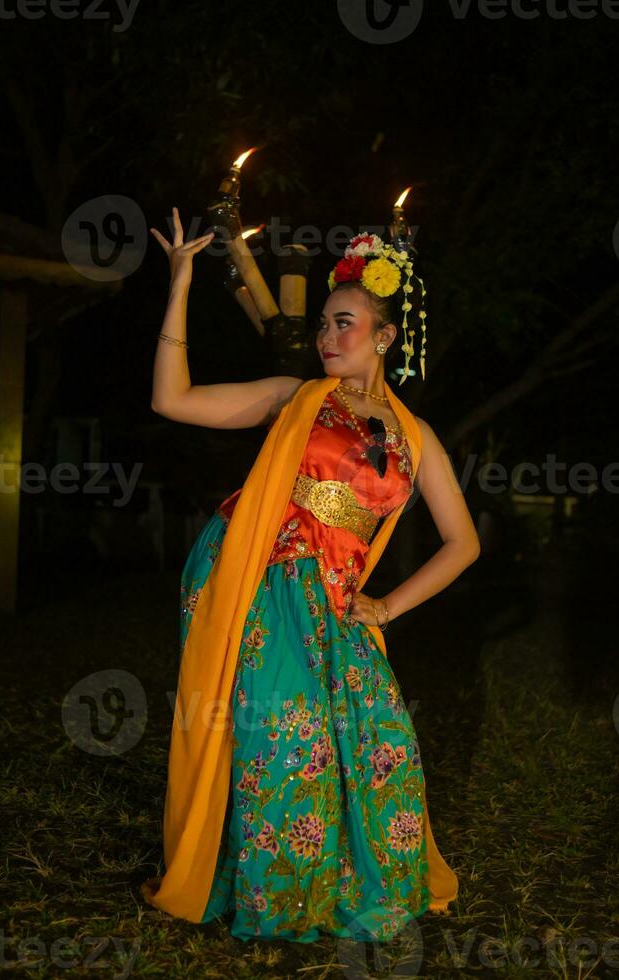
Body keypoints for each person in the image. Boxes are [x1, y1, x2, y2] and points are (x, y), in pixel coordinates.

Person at [141, 209, 480, 943]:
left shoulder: (416, 439)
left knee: (382, 740)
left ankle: (354, 885)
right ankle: (279, 897)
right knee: (290, 739)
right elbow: (173, 400)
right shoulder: (294, 398)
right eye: (324, 324)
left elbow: (463, 543)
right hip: (264, 583)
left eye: (345, 323)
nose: (327, 338)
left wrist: (387, 606)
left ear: (385, 336)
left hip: (339, 602)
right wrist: (180, 284)